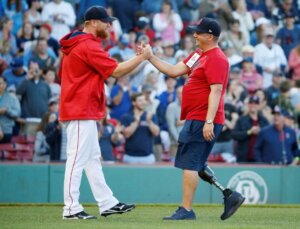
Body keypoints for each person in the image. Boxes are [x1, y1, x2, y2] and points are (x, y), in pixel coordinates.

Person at [145, 17, 245, 220]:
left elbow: (216, 91)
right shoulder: (198, 54)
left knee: (190, 163)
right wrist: (150, 57)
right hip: (196, 117)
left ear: (210, 36)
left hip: (203, 118)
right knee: (196, 162)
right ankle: (229, 195)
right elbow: (174, 71)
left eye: (198, 32)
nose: (194, 35)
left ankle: (186, 210)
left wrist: (209, 121)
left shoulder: (217, 58)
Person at [59, 6, 152, 220]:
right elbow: (116, 71)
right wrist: (142, 58)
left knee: (92, 158)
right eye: (105, 21)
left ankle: (107, 202)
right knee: (76, 159)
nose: (109, 25)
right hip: (79, 109)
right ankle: (71, 208)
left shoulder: (81, 42)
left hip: (83, 108)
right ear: (92, 22)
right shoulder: (86, 44)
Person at [120, 93, 160, 164]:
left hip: (148, 157)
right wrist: (136, 122)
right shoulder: (126, 116)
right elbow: (126, 135)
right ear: (133, 103)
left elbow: (156, 133)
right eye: (140, 100)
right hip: (130, 157)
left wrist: (149, 122)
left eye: (144, 100)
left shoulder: (150, 116)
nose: (143, 102)